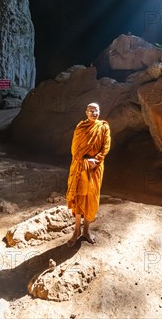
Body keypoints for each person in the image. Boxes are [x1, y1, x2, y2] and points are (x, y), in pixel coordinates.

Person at [66, 102, 111, 246]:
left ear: (99, 111)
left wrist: (95, 160)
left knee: (91, 197)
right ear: (86, 112)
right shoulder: (81, 127)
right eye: (90, 110)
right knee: (79, 196)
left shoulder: (103, 127)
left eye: (96, 110)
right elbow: (74, 149)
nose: (93, 113)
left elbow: (106, 146)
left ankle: (86, 230)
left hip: (96, 168)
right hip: (81, 167)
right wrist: (85, 160)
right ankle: (76, 230)